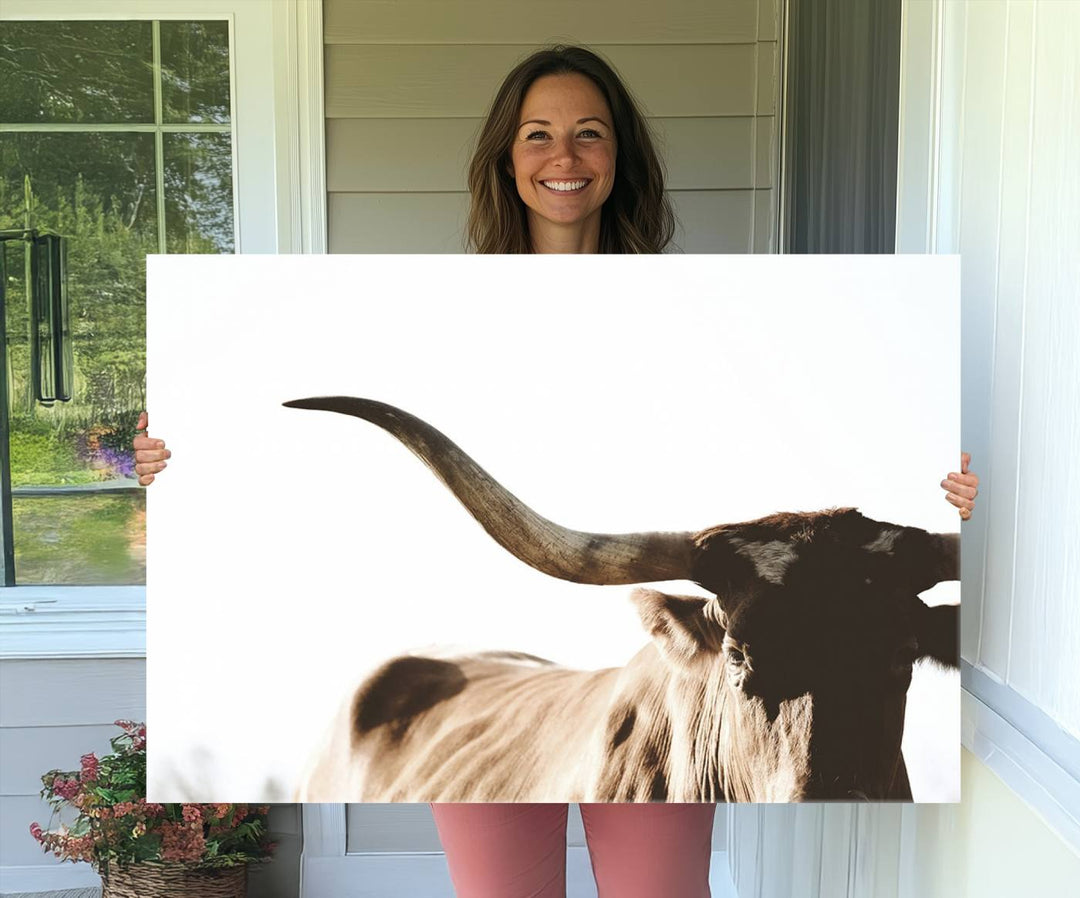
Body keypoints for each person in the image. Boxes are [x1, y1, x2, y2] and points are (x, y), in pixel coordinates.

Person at [134, 45, 979, 898]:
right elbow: (269, 447)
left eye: (589, 135)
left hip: (681, 696)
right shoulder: (435, 304)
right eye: (538, 135)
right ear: (507, 158)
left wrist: (973, 504)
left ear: (620, 159)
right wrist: (177, 460)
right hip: (482, 707)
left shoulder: (709, 303)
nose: (564, 158)